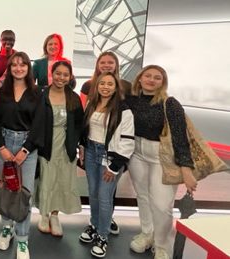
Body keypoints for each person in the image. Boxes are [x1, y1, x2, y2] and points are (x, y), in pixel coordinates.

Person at [126, 65, 196, 259]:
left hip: (161, 157)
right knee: (143, 197)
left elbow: (180, 138)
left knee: (162, 204)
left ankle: (162, 244)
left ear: (163, 82)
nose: (151, 80)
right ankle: (146, 234)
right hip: (136, 153)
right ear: (139, 79)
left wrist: (186, 170)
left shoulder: (170, 104)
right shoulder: (131, 100)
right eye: (147, 76)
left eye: (157, 77)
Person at [0, 52, 44, 259]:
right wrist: (2, 148)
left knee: (24, 193)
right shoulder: (2, 92)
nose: (18, 68)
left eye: (23, 65)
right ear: (10, 68)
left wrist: (25, 150)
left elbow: (40, 125)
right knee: (6, 190)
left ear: (28, 68)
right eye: (14, 65)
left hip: (27, 147)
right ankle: (6, 229)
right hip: (3, 144)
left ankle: (22, 239)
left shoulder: (37, 93)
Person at [77, 72, 135, 258]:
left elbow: (127, 142)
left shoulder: (123, 110)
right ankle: (94, 225)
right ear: (97, 86)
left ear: (116, 87)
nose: (105, 87)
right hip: (92, 152)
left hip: (109, 157)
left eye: (110, 84)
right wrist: (83, 149)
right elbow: (86, 130)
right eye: (102, 83)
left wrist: (114, 166)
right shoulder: (92, 103)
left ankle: (103, 236)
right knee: (93, 193)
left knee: (104, 197)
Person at [36, 61, 84, 237]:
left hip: (67, 145)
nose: (61, 77)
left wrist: (80, 145)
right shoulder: (42, 95)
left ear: (70, 77)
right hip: (47, 144)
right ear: (52, 73)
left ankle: (55, 215)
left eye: (65, 74)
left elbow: (80, 124)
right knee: (47, 179)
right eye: (58, 73)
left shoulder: (74, 97)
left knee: (62, 180)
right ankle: (44, 214)